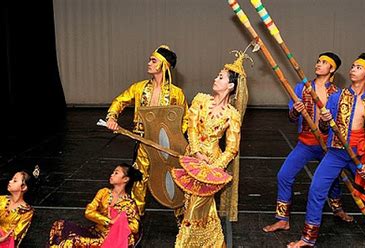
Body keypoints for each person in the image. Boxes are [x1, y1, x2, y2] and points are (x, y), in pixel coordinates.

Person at [288, 53, 365, 247]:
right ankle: (308, 238)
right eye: (352, 66)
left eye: (358, 67)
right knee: (316, 189)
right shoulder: (337, 96)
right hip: (336, 152)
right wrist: (325, 121)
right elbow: (323, 129)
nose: (353, 69)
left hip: (358, 155)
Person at [263, 52, 353, 233]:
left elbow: (341, 123)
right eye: (318, 61)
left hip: (328, 145)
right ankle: (282, 219)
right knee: (284, 175)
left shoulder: (338, 94)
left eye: (324, 62)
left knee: (333, 178)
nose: (318, 64)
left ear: (332, 68)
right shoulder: (302, 88)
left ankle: (338, 209)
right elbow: (291, 117)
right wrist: (296, 111)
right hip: (305, 143)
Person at [171, 50, 248, 247]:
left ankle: (185, 244)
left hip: (211, 166)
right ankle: (211, 243)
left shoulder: (232, 115)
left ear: (230, 86)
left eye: (220, 77)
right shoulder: (200, 100)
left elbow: (232, 148)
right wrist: (196, 152)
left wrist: (215, 166)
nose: (215, 79)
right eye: (217, 75)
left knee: (197, 205)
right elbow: (191, 127)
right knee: (189, 203)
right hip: (192, 158)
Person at [106, 45, 188, 216]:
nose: (148, 63)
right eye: (150, 59)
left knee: (174, 177)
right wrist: (112, 117)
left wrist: (175, 139)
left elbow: (185, 119)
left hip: (166, 146)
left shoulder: (176, 93)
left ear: (164, 65)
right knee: (139, 179)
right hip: (143, 142)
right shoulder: (139, 88)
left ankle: (181, 218)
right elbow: (120, 101)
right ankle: (135, 218)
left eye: (153, 60)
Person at [48, 163, 142, 247]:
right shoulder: (103, 192)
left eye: (116, 173)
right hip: (95, 232)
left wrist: (119, 222)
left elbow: (135, 227)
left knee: (72, 241)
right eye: (113, 172)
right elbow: (89, 211)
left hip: (108, 239)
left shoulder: (129, 203)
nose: (112, 174)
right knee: (59, 225)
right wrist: (108, 221)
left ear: (125, 179)